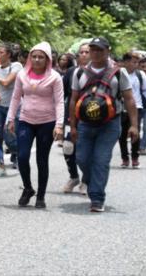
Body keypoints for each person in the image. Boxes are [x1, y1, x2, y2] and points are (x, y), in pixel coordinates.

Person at [69, 37, 138, 212]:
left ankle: (97, 197)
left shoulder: (118, 73)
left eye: (100, 49)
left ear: (108, 50)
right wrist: (73, 126)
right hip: (85, 123)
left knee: (101, 160)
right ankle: (93, 183)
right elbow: (73, 99)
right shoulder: (80, 72)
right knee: (82, 158)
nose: (96, 53)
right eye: (93, 49)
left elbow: (129, 99)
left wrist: (134, 125)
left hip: (110, 124)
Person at [6, 43, 64, 208]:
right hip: (25, 120)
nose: (37, 60)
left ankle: (41, 196)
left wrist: (59, 125)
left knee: (41, 160)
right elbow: (16, 97)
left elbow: (60, 102)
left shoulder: (55, 77)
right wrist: (10, 119)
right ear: (30, 58)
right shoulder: (22, 75)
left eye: (41, 57)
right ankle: (28, 188)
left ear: (48, 60)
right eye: (34, 56)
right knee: (22, 156)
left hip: (47, 122)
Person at [0, 43, 23, 175]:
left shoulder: (16, 66)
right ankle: (1, 166)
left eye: (1, 52)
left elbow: (6, 82)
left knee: (9, 137)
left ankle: (20, 155)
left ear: (9, 55)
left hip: (13, 107)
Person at [62, 44, 88, 194]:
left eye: (87, 52)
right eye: (81, 52)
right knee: (67, 147)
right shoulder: (71, 72)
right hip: (70, 115)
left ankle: (86, 180)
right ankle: (73, 176)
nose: (84, 55)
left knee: (84, 150)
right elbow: (64, 95)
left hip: (88, 117)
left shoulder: (96, 73)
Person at [118, 52, 146, 168]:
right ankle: (124, 158)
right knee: (122, 135)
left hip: (137, 107)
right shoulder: (119, 73)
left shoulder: (140, 74)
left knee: (135, 133)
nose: (136, 64)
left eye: (137, 62)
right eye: (134, 62)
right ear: (126, 62)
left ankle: (135, 157)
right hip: (121, 108)